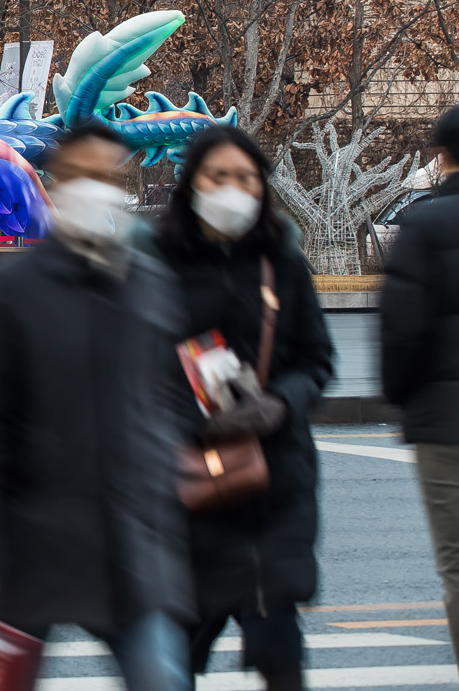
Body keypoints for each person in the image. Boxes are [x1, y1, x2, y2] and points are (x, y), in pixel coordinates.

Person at [0, 123, 193, 691]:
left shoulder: (150, 284)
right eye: (83, 173)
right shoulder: (17, 289)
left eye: (109, 175)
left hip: (129, 543)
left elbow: (172, 400)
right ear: (57, 183)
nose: (98, 187)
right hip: (29, 543)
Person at [156, 126, 334, 690]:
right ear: (192, 184)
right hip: (184, 492)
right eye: (219, 176)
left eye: (247, 178)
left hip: (273, 485)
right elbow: (134, 372)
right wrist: (192, 423)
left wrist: (280, 404)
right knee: (171, 663)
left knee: (280, 657)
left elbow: (317, 361)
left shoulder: (283, 262)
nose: (233, 189)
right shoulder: (156, 267)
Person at [383, 104, 459, 664]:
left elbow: (402, 328)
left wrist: (401, 394)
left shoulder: (424, 224)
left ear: (442, 155)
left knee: (457, 563)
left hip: (444, 421)